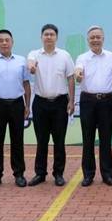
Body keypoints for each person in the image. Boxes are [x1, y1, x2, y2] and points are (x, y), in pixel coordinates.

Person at [26, 24, 75, 187]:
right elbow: (30, 64)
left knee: (59, 141)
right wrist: (32, 67)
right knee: (41, 140)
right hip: (40, 103)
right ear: (41, 37)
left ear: (56, 37)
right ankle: (40, 173)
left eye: (52, 34)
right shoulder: (34, 54)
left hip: (60, 103)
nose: (48, 37)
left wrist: (71, 100)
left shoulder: (64, 56)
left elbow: (70, 78)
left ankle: (58, 173)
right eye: (46, 34)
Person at [0, 29, 31, 189]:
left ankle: (19, 174)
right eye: (1, 40)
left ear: (12, 42)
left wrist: (27, 105)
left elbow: (26, 83)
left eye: (7, 40)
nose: (4, 43)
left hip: (17, 103)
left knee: (17, 140)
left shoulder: (21, 60)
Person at [74, 26, 112, 187]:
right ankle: (88, 174)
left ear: (103, 39)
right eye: (92, 37)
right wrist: (78, 75)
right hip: (87, 101)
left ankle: (107, 174)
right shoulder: (82, 58)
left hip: (106, 101)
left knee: (105, 139)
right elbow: (78, 71)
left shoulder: (111, 57)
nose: (95, 40)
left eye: (98, 37)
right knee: (87, 139)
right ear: (88, 40)